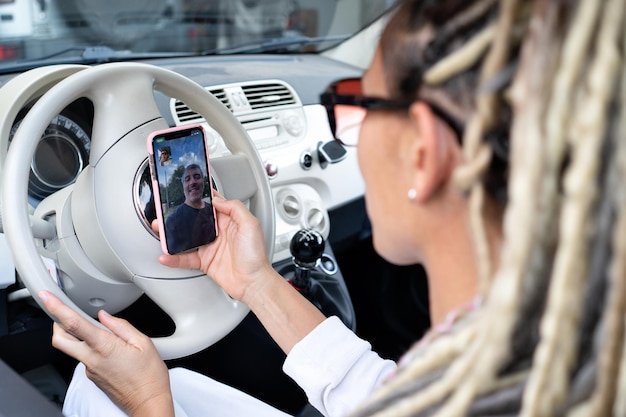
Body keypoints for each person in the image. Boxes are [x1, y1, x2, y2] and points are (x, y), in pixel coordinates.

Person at [38, 0, 626, 416]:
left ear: (423, 152)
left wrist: (149, 405)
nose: (352, 132)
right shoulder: (554, 350)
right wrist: (255, 281)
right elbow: (376, 391)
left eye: (357, 105)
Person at [163, 164, 217, 254]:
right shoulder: (172, 221)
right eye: (187, 179)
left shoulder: (214, 209)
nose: (192, 182)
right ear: (183, 185)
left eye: (197, 177)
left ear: (203, 181)